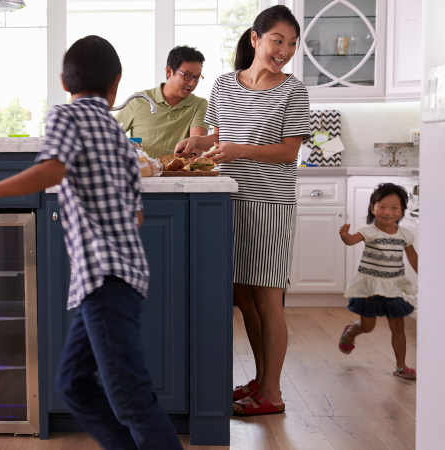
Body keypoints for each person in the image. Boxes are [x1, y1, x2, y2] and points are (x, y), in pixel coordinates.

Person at [0, 35, 182, 450]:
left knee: (129, 398)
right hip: (117, 278)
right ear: (116, 84)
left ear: (63, 81)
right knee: (72, 383)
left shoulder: (66, 117)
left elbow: (50, 170)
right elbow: (137, 215)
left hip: (102, 277)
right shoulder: (119, 136)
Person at [174, 5, 309, 416]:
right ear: (255, 39)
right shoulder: (224, 85)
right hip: (228, 198)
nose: (283, 50)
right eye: (276, 40)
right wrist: (199, 145)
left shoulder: (293, 90)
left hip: (270, 202)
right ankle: (261, 378)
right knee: (243, 296)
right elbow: (219, 135)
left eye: (290, 43)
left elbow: (289, 151)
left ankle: (273, 392)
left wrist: (238, 150)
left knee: (268, 296)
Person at [337, 183, 418, 380]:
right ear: (373, 208)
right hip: (369, 289)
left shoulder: (404, 235)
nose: (387, 212)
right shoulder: (369, 231)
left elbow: (413, 257)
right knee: (367, 327)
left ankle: (401, 366)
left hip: (393, 288)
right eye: (381, 206)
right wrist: (345, 236)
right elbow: (351, 241)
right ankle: (350, 334)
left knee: (398, 327)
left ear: (401, 211)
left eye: (394, 208)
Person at [114, 45, 208, 158]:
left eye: (197, 77)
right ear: (169, 71)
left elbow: (196, 146)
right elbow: (110, 136)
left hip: (180, 174)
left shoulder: (199, 105)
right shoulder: (138, 100)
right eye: (187, 76)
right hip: (144, 174)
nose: (192, 83)